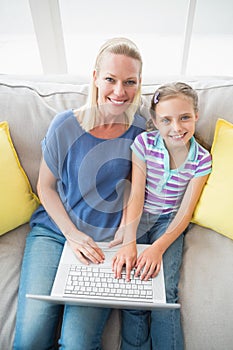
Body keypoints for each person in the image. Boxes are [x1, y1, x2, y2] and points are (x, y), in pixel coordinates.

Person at [13, 37, 146, 350]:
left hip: (102, 245)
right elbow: (44, 186)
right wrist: (71, 234)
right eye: (111, 79)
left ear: (139, 84)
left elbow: (135, 192)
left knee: (77, 343)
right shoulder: (64, 125)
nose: (119, 91)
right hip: (54, 233)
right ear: (96, 77)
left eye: (130, 82)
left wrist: (127, 240)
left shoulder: (141, 131)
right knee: (31, 338)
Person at [112, 82, 212, 349]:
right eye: (166, 120)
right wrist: (129, 241)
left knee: (163, 291)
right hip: (140, 215)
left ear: (196, 116)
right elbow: (136, 196)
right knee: (134, 288)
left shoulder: (201, 160)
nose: (176, 128)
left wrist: (157, 249)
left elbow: (185, 212)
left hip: (170, 222)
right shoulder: (144, 144)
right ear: (154, 121)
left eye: (184, 118)